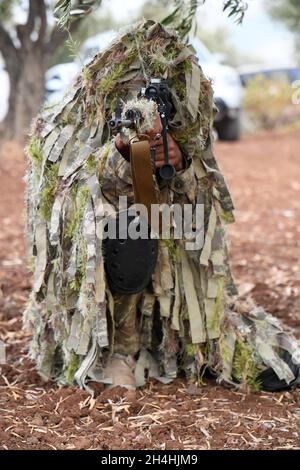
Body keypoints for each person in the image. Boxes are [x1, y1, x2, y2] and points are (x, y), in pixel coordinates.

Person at [25, 20, 300, 394]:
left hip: (172, 281)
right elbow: (71, 202)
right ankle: (121, 350)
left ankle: (177, 346)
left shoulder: (186, 128)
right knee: (129, 231)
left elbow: (206, 209)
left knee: (277, 367)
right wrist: (122, 157)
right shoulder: (74, 125)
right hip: (103, 291)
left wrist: (181, 161)